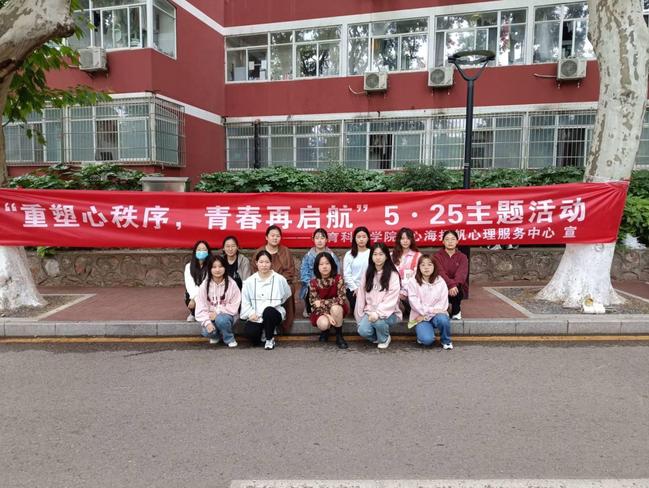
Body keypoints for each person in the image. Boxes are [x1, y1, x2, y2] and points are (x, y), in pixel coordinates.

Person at [241, 250, 292, 350]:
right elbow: (245, 300)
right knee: (251, 334)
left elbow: (286, 294)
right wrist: (251, 313)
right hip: (256, 315)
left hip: (273, 313)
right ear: (256, 263)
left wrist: (276, 304)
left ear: (271, 263)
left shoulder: (279, 279)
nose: (264, 265)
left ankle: (269, 338)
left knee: (268, 311)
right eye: (261, 262)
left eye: (267, 262)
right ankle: (263, 330)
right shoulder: (249, 281)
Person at [355, 242, 402, 349]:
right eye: (375, 254)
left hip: (390, 312)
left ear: (386, 256)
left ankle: (384, 338)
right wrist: (360, 316)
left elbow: (391, 299)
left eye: (381, 254)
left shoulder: (393, 274)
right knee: (363, 331)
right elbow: (361, 295)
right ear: (371, 256)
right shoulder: (367, 272)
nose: (378, 257)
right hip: (370, 311)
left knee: (378, 322)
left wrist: (378, 313)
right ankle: (378, 336)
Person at [251, 225, 297, 331]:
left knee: (289, 289)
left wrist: (276, 281)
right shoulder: (259, 251)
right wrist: (267, 280)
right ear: (266, 237)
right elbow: (254, 270)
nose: (275, 238)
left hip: (282, 282)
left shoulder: (285, 251)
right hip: (262, 282)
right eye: (272, 235)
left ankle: (284, 324)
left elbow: (290, 271)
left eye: (278, 236)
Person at [406, 254, 453, 350]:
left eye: (429, 264)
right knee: (427, 340)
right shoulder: (413, 282)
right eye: (423, 265)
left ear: (434, 266)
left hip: (433, 316)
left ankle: (446, 341)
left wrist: (427, 314)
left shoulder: (441, 282)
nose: (426, 267)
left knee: (443, 319)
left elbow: (442, 305)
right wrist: (431, 311)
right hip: (420, 317)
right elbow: (415, 304)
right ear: (419, 267)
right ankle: (424, 334)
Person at [194, 255, 242, 347]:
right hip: (210, 317)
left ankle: (229, 338)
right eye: (214, 267)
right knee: (206, 332)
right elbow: (200, 308)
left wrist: (217, 313)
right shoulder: (204, 286)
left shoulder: (232, 284)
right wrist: (207, 323)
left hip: (227, 316)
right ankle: (217, 336)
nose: (217, 270)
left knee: (221, 320)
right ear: (210, 269)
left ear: (225, 268)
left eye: (220, 266)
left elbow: (234, 306)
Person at [308, 252, 349, 349]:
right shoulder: (313, 282)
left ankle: (339, 335)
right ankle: (325, 330)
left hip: (338, 309)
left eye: (327, 263)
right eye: (321, 264)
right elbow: (314, 304)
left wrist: (322, 302)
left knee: (335, 308)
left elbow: (341, 300)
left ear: (332, 264)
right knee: (324, 324)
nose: (324, 266)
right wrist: (328, 315)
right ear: (317, 267)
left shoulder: (338, 278)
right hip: (321, 312)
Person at [300, 228, 340, 318]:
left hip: (329, 284)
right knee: (308, 288)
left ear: (326, 240)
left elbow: (336, 271)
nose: (319, 241)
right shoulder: (308, 256)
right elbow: (304, 273)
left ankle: (329, 308)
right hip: (313, 284)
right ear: (313, 239)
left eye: (322, 238)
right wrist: (312, 283)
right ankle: (309, 307)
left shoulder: (332, 255)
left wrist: (329, 282)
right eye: (317, 238)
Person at [434, 230, 469, 320]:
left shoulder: (462, 257)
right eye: (447, 239)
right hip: (441, 285)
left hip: (456, 288)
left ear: (457, 241)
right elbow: (440, 272)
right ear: (443, 242)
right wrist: (450, 285)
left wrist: (453, 285)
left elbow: (461, 274)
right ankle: (444, 308)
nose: (450, 242)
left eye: (453, 239)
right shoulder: (437, 256)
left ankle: (456, 311)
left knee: (458, 287)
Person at [391, 227, 422, 318]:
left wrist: (405, 291)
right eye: (402, 238)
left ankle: (406, 309)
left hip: (411, 290)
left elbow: (417, 277)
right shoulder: (392, 256)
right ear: (399, 240)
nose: (405, 241)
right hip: (395, 290)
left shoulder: (418, 256)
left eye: (408, 238)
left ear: (412, 240)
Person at [343, 226, 371, 315]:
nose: (361, 239)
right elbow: (347, 275)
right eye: (358, 237)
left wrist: (365, 288)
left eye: (364, 237)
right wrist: (355, 288)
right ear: (354, 239)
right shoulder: (349, 254)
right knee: (360, 311)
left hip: (369, 287)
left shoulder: (372, 253)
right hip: (353, 289)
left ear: (368, 238)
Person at [184, 240, 213, 322]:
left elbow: (207, 284)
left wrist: (196, 298)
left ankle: (201, 313)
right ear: (195, 251)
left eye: (204, 249)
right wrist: (193, 298)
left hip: (208, 293)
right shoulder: (189, 266)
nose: (201, 252)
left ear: (208, 252)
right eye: (199, 249)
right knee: (187, 295)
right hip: (195, 295)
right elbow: (189, 285)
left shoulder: (212, 265)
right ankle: (194, 313)